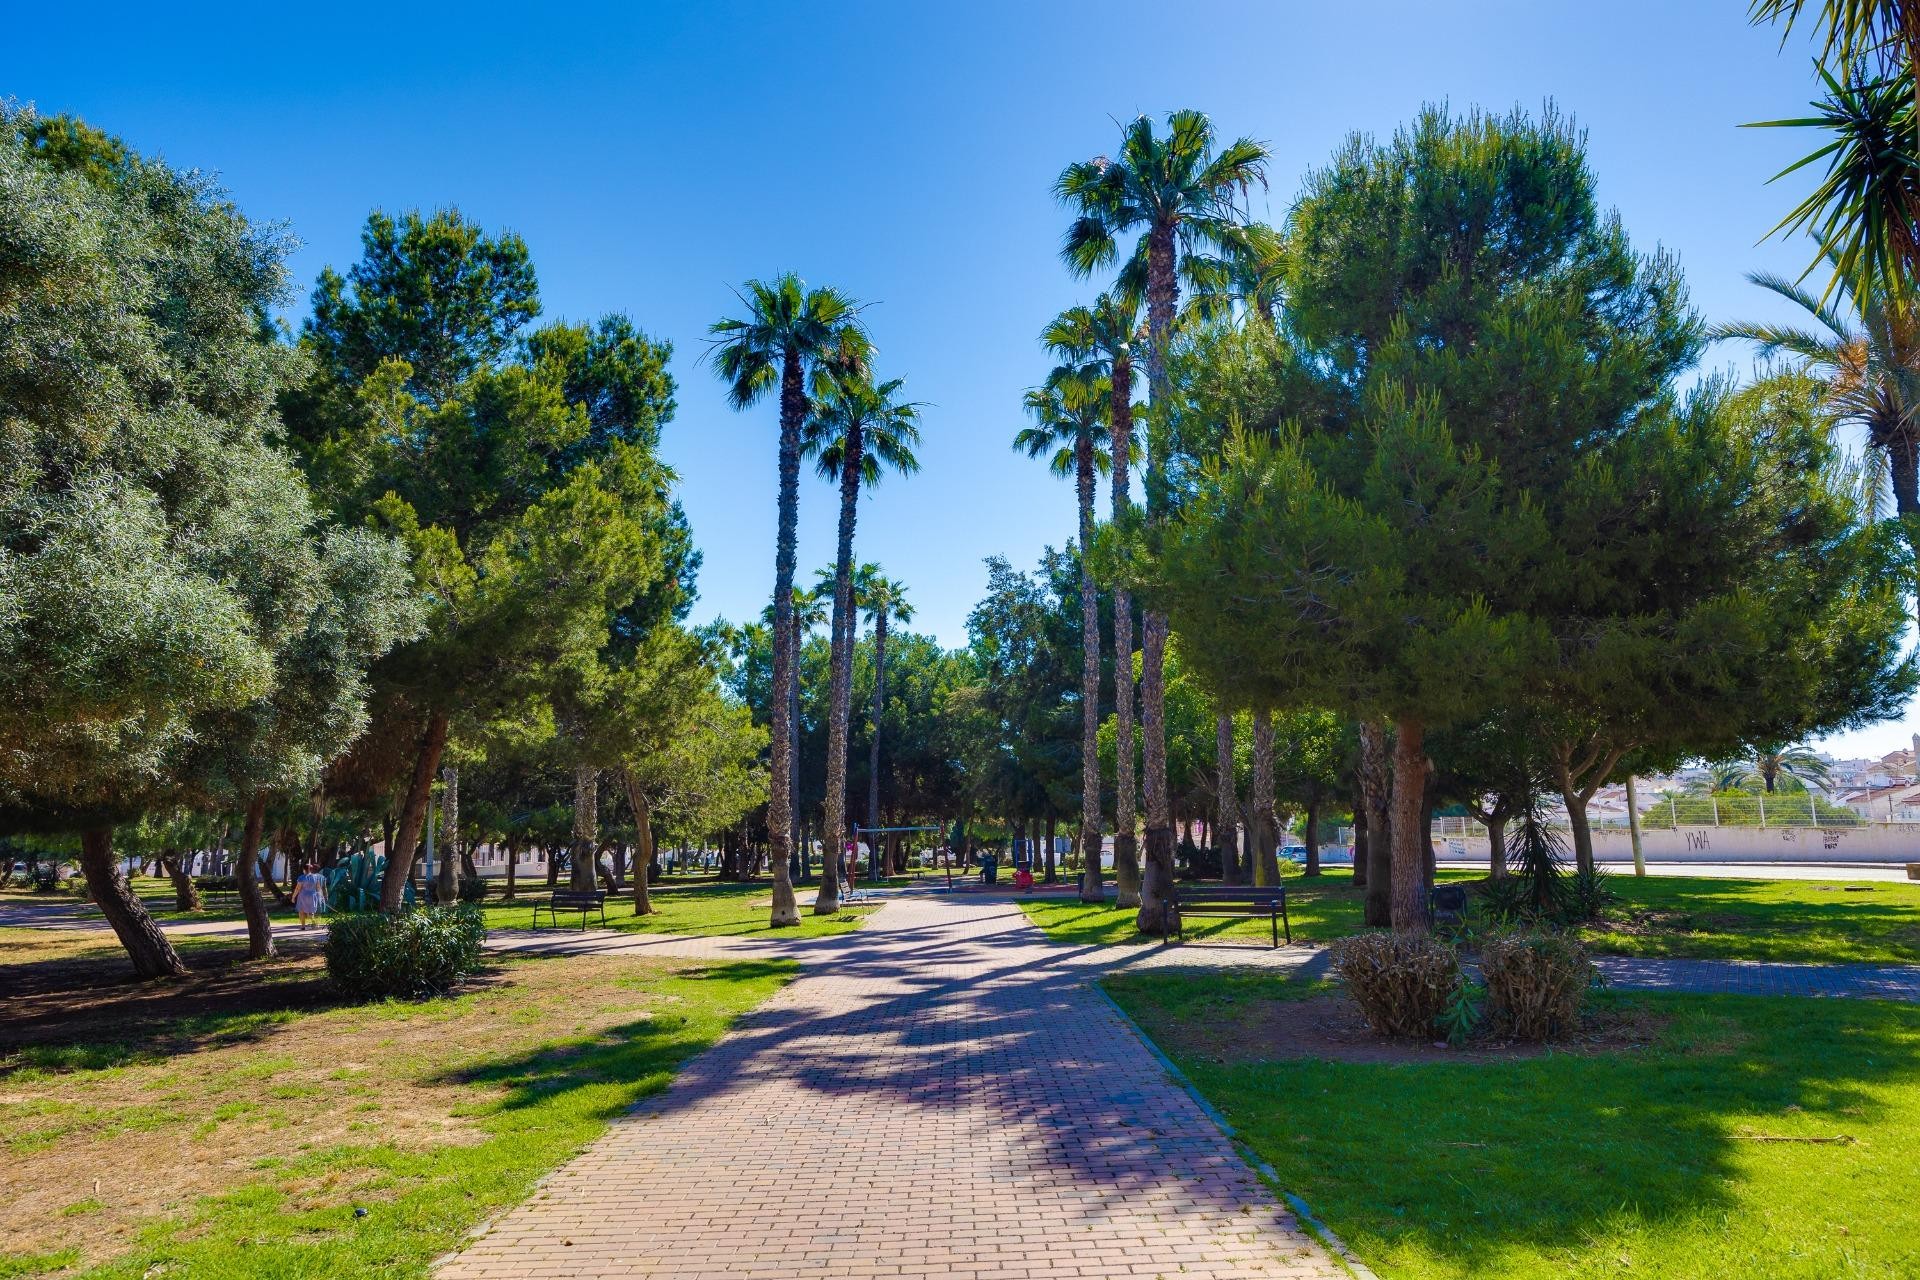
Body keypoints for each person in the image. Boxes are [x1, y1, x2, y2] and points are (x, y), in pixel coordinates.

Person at [293, 861, 327, 928]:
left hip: (303, 896)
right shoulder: (316, 877)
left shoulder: (301, 877)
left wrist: (293, 897)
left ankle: (303, 926)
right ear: (311, 870)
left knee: (301, 911)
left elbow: (297, 888)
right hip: (313, 896)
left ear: (304, 870)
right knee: (311, 911)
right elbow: (318, 888)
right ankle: (314, 924)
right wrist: (321, 896)